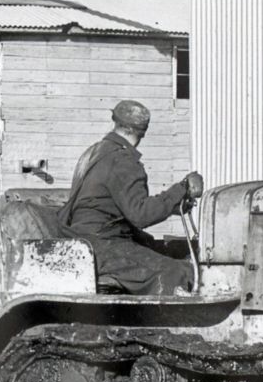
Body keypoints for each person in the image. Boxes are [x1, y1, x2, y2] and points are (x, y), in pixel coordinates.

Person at [64, 100, 203, 297]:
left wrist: (172, 204)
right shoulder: (122, 160)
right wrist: (181, 190)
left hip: (86, 242)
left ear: (116, 122)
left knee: (163, 250)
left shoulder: (94, 152)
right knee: (181, 271)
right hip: (105, 246)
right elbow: (141, 215)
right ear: (143, 132)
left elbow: (111, 204)